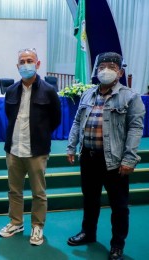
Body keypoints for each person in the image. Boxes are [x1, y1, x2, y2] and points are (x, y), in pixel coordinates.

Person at [66, 52, 145, 260]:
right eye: (102, 67)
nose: (105, 70)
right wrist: (70, 146)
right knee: (90, 199)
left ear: (120, 72)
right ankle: (88, 233)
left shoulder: (130, 97)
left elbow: (135, 129)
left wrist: (129, 159)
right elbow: (76, 122)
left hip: (114, 161)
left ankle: (117, 244)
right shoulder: (88, 94)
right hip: (89, 158)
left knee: (119, 206)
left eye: (111, 66)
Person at [0, 48, 61, 246]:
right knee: (14, 190)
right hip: (14, 149)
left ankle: (37, 226)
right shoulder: (11, 90)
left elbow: (55, 120)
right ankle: (16, 222)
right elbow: (10, 116)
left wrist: (40, 134)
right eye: (22, 61)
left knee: (38, 192)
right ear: (17, 66)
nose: (26, 64)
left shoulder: (49, 91)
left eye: (30, 60)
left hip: (37, 151)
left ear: (38, 64)